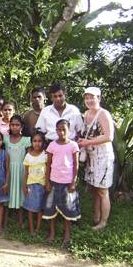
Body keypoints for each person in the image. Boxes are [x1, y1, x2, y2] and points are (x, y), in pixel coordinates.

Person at [78, 87, 115, 231]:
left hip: (103, 156)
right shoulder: (87, 113)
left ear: (98, 98)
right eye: (86, 98)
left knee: (102, 190)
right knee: (94, 188)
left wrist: (88, 142)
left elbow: (108, 136)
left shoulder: (103, 114)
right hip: (91, 156)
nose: (89, 100)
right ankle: (96, 216)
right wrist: (84, 141)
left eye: (92, 97)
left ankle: (103, 222)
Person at [43, 119, 80, 247]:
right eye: (59, 129)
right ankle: (52, 232)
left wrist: (73, 182)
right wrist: (47, 181)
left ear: (69, 130)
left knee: (67, 209)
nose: (61, 132)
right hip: (54, 181)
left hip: (67, 182)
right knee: (51, 208)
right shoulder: (52, 145)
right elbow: (48, 165)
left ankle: (67, 234)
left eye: (64, 129)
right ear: (56, 130)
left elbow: (76, 165)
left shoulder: (73, 145)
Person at [4, 115, 31, 228]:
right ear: (9, 126)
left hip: (21, 170)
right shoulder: (5, 138)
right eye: (12, 125)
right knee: (7, 193)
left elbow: (29, 157)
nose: (15, 127)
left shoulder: (26, 140)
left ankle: (20, 221)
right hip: (8, 170)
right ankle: (4, 220)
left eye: (17, 125)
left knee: (20, 193)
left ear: (22, 126)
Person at [22, 131, 47, 235]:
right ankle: (31, 229)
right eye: (34, 141)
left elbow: (48, 171)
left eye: (39, 141)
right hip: (31, 185)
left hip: (42, 185)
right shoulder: (28, 156)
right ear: (31, 142)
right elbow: (26, 172)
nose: (37, 143)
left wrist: (47, 184)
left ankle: (38, 228)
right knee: (30, 208)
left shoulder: (45, 155)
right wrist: (24, 186)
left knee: (40, 208)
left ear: (43, 142)